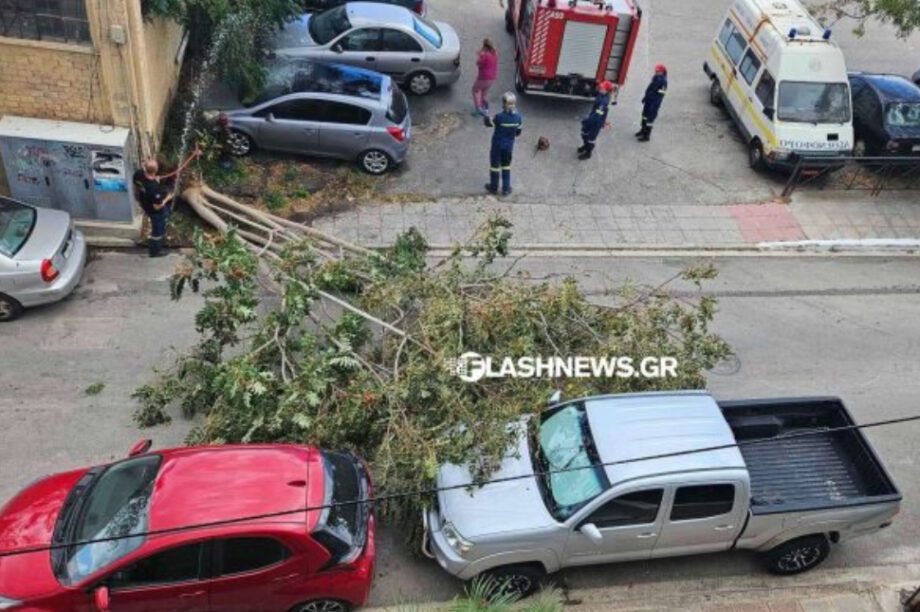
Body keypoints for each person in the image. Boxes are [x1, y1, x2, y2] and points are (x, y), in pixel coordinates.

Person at [132, 158, 174, 258]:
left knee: (165, 215)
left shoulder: (138, 174)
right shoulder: (154, 188)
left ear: (145, 169)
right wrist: (168, 198)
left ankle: (160, 234)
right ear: (155, 170)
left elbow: (136, 186)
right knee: (157, 230)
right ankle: (155, 251)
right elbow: (157, 207)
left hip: (144, 202)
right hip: (154, 211)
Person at [484, 92, 523, 196]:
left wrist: (486, 113)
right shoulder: (518, 118)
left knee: (495, 166)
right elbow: (518, 132)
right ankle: (506, 189)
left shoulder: (499, 117)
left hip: (497, 145)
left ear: (504, 103)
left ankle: (494, 187)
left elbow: (488, 123)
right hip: (509, 147)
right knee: (506, 166)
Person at [578, 81, 618, 160]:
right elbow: (596, 93)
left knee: (591, 138)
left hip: (596, 121)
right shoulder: (602, 94)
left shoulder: (604, 102)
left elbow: (598, 114)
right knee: (584, 133)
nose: (600, 88)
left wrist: (587, 120)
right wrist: (588, 91)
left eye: (602, 88)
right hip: (592, 118)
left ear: (606, 90)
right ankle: (585, 146)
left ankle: (588, 153)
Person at [636, 64, 668, 142]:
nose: (656, 72)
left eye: (658, 71)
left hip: (654, 104)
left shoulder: (663, 81)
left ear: (662, 72)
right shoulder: (655, 78)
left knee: (650, 120)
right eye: (656, 71)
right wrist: (645, 98)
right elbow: (650, 89)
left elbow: (660, 95)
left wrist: (654, 104)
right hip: (649, 101)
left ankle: (646, 135)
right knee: (644, 116)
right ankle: (642, 130)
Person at [472, 39, 498, 116]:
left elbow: (478, 63)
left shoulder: (485, 55)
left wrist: (480, 55)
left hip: (484, 77)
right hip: (492, 77)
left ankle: (479, 110)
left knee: (475, 90)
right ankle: (485, 106)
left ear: (484, 46)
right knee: (484, 92)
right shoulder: (495, 53)